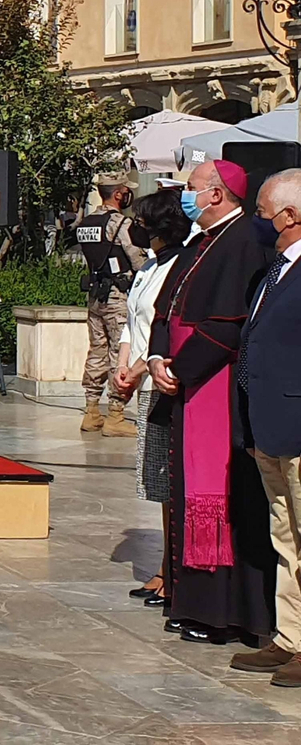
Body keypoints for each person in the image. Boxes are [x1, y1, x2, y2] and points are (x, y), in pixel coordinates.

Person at [148, 158, 275, 647]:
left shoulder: (243, 241)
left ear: (217, 194)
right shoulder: (198, 242)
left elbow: (226, 323)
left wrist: (180, 368)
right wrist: (159, 354)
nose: (187, 194)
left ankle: (221, 611)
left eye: (192, 187)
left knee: (219, 493)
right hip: (183, 377)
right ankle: (190, 600)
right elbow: (168, 310)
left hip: (214, 385)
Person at [230, 168, 301, 682]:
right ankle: (290, 637)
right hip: (268, 426)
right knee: (286, 538)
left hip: (299, 426)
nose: (257, 222)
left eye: (262, 213)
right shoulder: (273, 270)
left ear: (290, 215)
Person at [111, 190, 191, 610]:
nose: (134, 227)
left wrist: (139, 370)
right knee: (157, 483)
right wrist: (123, 367)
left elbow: (166, 328)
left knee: (168, 478)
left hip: (160, 379)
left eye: (140, 220)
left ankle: (173, 568)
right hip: (140, 379)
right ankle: (165, 563)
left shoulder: (179, 264)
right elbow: (132, 322)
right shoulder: (149, 266)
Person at [77, 174, 148, 435]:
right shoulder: (120, 223)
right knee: (121, 352)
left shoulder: (86, 222)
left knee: (97, 351)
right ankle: (115, 414)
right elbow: (138, 260)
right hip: (118, 295)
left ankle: (91, 411)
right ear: (118, 194)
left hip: (96, 295)